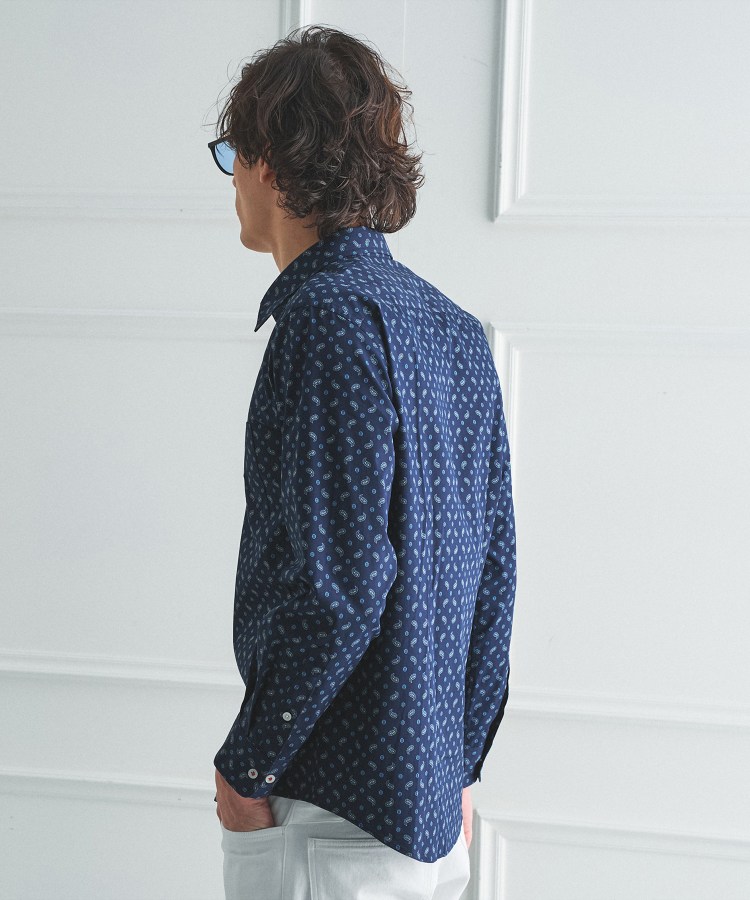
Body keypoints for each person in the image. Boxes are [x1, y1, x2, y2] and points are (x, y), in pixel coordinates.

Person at [207, 24, 517, 900]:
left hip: (328, 814)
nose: (233, 180)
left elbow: (339, 586)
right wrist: (458, 763)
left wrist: (248, 764)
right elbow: (493, 573)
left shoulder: (325, 320)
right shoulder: (453, 329)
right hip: (424, 816)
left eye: (233, 154)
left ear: (271, 163)